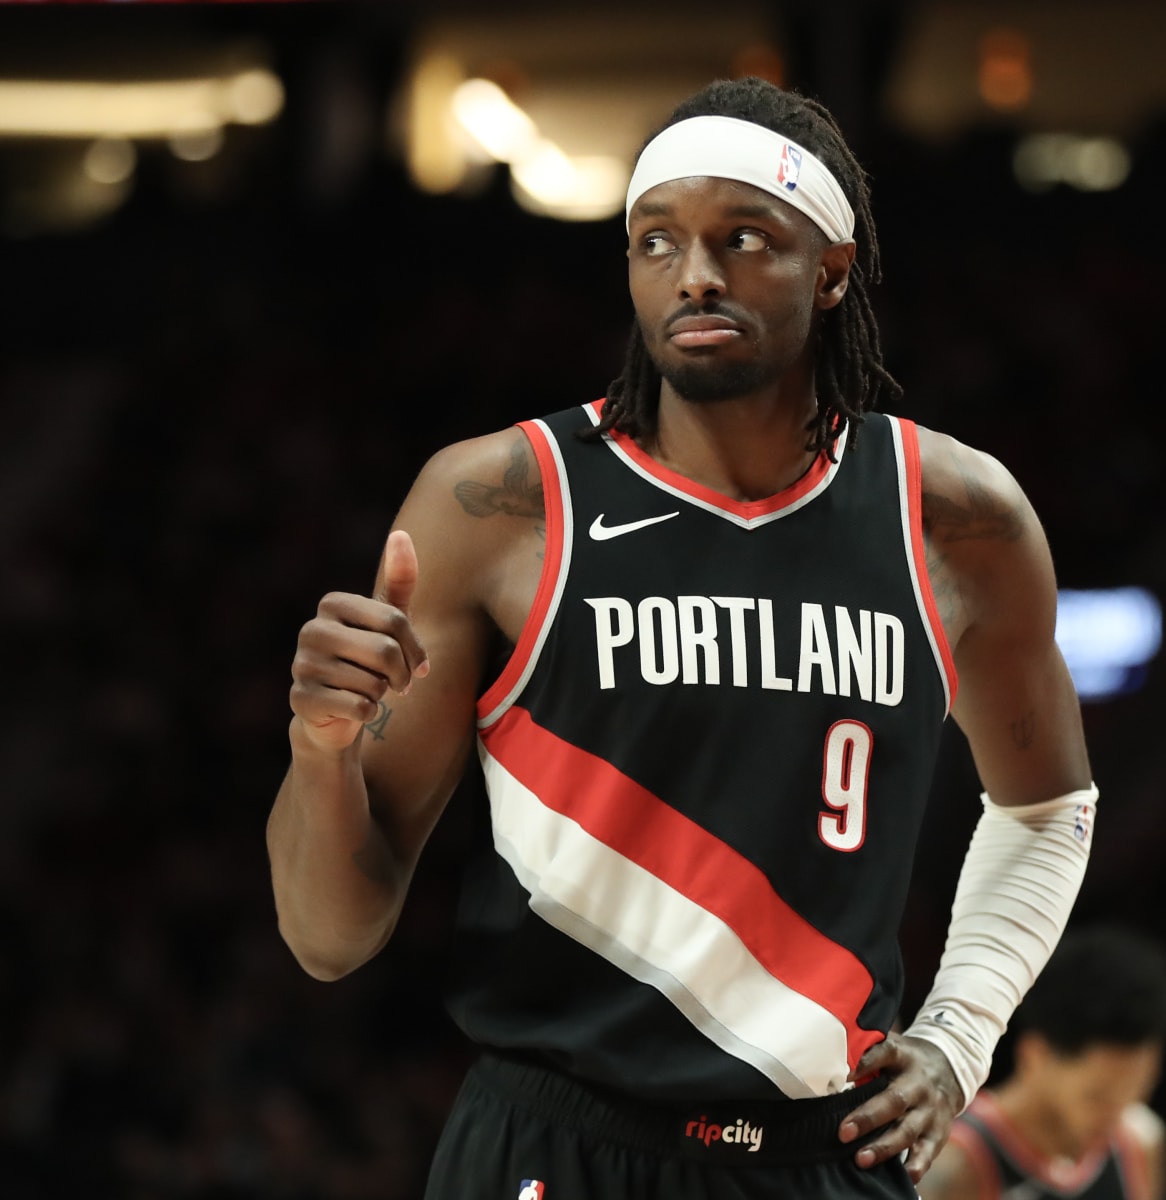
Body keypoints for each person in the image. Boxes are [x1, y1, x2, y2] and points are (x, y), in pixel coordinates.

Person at [266, 76, 1098, 1199]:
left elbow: (1048, 809)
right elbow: (329, 938)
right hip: (556, 1147)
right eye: (657, 241)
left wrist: (960, 1033)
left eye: (744, 238)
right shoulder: (502, 505)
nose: (695, 272)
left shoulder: (955, 518)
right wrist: (321, 755)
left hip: (822, 1159)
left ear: (833, 269)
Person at [916, 927, 1166, 1200]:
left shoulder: (1140, 1143)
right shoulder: (956, 1165)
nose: (1117, 1116)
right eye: (1098, 1097)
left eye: (1138, 1091)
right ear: (1034, 1056)